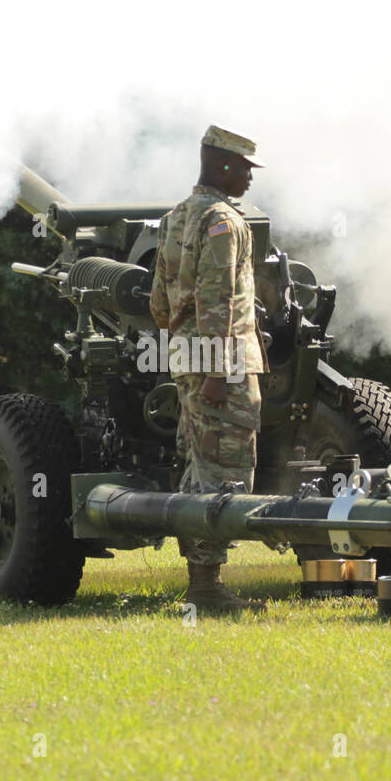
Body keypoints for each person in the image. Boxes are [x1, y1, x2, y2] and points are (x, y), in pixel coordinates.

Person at [149, 125, 268, 613]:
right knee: (225, 466)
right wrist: (219, 371)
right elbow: (218, 299)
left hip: (187, 358)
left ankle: (202, 581)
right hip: (224, 365)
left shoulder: (175, 217)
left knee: (200, 459)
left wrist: (186, 346)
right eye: (244, 168)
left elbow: (159, 300)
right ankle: (206, 585)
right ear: (222, 165)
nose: (249, 178)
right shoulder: (224, 221)